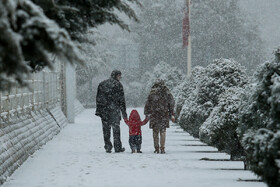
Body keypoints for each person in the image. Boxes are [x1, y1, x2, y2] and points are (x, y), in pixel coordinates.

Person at [95, 70, 128, 153]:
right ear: (117, 76)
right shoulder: (118, 85)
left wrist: (99, 110)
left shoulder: (102, 84)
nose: (120, 78)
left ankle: (108, 146)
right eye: (120, 76)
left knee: (106, 129)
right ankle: (118, 147)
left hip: (104, 110)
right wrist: (124, 114)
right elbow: (122, 101)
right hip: (114, 110)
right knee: (116, 129)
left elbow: (98, 98)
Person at [144, 79, 175, 154]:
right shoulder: (167, 93)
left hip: (154, 114)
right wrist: (171, 113)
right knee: (163, 131)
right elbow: (171, 103)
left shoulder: (152, 93)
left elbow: (147, 104)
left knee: (155, 132)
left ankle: (156, 148)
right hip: (164, 114)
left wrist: (147, 113)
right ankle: (162, 148)